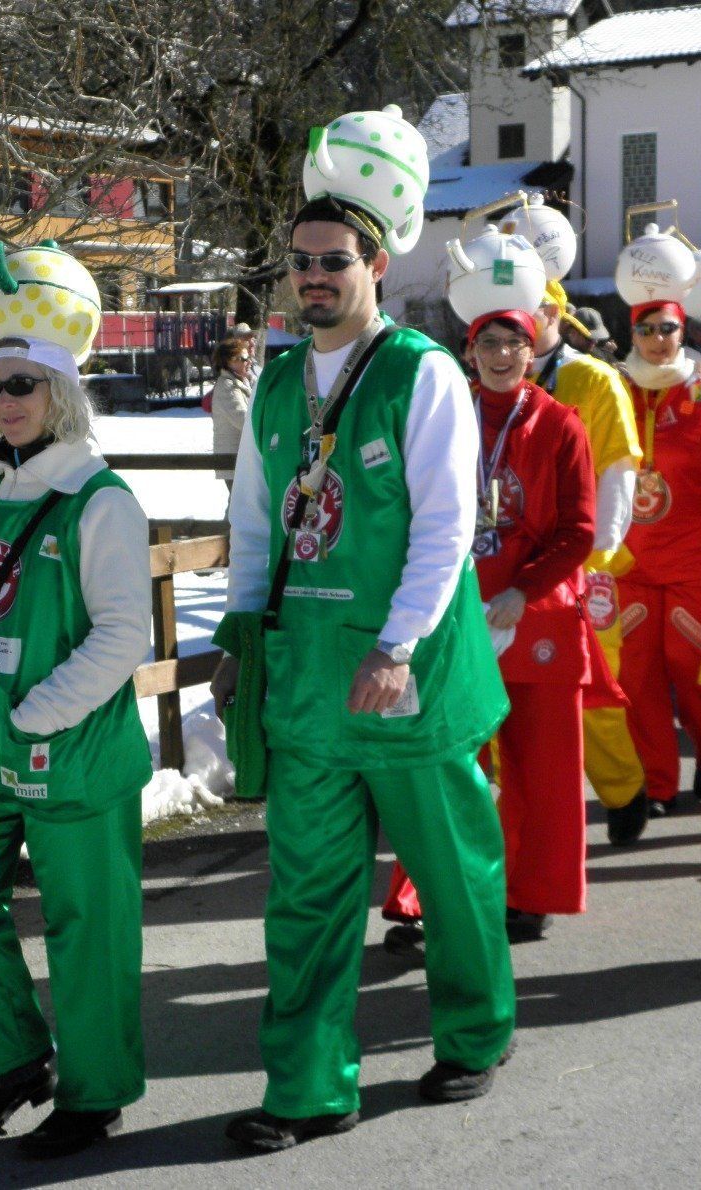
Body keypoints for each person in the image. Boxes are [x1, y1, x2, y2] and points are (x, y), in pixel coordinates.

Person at [213, 193, 513, 1153]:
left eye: (333, 260)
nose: (313, 276)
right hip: (307, 682)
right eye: (300, 260)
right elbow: (253, 524)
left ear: (375, 265)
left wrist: (397, 644)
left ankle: (475, 1033)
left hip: (405, 681)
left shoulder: (421, 373)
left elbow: (446, 525)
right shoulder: (276, 383)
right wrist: (240, 640)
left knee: (451, 874)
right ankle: (308, 1086)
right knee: (305, 893)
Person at [0, 242, 154, 1159]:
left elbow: (122, 636)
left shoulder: (101, 500)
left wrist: (36, 712)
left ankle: (95, 1094)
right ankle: (16, 1061)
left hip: (68, 740)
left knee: (87, 926)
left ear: (62, 391)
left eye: (23, 384)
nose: (5, 400)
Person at [406, 306, 597, 942]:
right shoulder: (441, 417)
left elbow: (579, 531)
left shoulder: (561, 424)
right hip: (453, 614)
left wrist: (526, 589)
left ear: (533, 351)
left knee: (541, 771)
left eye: (514, 342)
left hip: (535, 615)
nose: (502, 354)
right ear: (469, 351)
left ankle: (531, 894)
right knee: (442, 763)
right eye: (488, 342)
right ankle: (425, 897)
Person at [532, 279, 648, 844]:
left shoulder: (593, 379)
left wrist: (597, 554)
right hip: (513, 565)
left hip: (581, 563)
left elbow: (619, 469)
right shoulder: (486, 376)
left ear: (551, 310)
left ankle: (623, 789)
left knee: (592, 686)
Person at [616, 299, 701, 815]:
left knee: (695, 671)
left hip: (695, 562)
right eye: (646, 330)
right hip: (630, 564)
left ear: (683, 332)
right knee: (636, 678)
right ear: (632, 334)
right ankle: (656, 783)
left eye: (668, 328)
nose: (658, 340)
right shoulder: (615, 390)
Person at [211, 337, 254, 494]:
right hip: (232, 460)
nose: (248, 361)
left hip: (243, 459)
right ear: (228, 362)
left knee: (241, 503)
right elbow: (243, 420)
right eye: (242, 358)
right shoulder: (227, 386)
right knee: (239, 503)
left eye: (248, 357)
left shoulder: (242, 382)